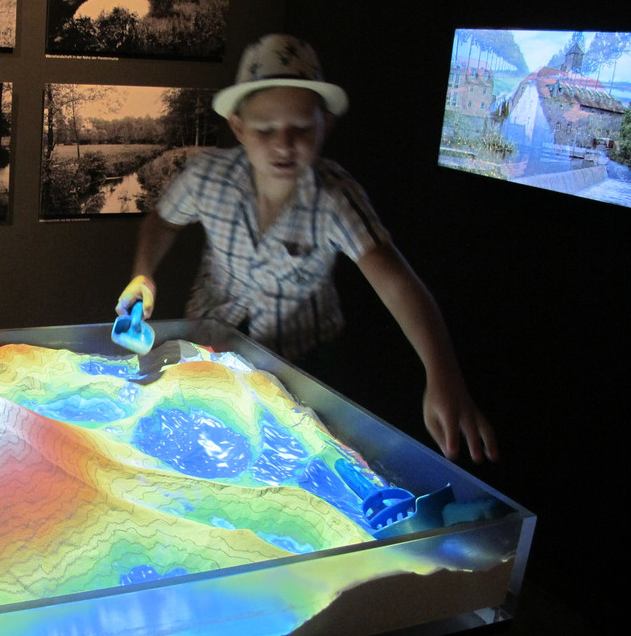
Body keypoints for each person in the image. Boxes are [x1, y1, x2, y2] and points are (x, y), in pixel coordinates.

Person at [116, 34, 497, 463]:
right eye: (265, 129)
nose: (284, 144)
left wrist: (442, 372)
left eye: (301, 128)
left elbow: (394, 279)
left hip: (302, 364)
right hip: (211, 342)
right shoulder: (207, 177)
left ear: (324, 126)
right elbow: (163, 221)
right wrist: (143, 272)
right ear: (239, 127)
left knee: (293, 459)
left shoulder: (334, 197)